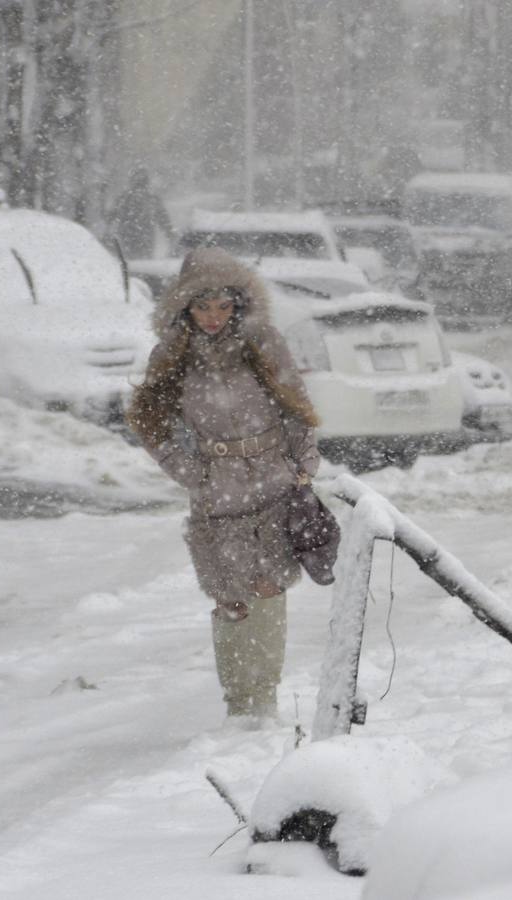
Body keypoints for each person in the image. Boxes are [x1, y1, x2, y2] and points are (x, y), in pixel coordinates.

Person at [127, 248, 321, 721]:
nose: (213, 317)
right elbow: (151, 423)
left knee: (269, 586)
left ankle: (266, 699)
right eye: (201, 306)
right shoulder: (172, 354)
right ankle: (239, 704)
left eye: (222, 306)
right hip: (218, 493)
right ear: (184, 309)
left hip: (274, 481)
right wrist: (190, 471)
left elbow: (295, 404)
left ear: (238, 304)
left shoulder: (264, 343)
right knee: (231, 596)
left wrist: (303, 463)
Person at [108, 167, 175, 258]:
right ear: (147, 182)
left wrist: (108, 232)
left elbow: (111, 217)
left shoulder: (123, 198)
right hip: (146, 238)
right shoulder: (152, 199)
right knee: (144, 263)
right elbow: (163, 219)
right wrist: (170, 234)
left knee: (129, 263)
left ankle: (131, 271)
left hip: (127, 237)